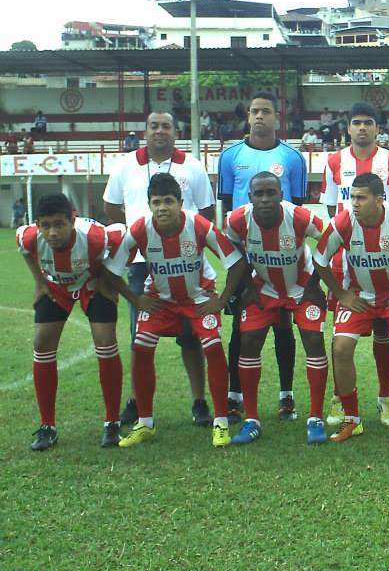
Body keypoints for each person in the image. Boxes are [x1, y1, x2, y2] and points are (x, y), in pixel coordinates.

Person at [101, 173, 248, 448]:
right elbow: (111, 270)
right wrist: (136, 300)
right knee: (141, 347)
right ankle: (145, 423)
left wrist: (221, 300)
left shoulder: (199, 225)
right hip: (160, 301)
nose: (162, 208)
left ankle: (220, 422)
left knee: (213, 347)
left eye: (168, 201)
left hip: (198, 298)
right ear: (149, 205)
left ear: (180, 203)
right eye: (156, 202)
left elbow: (237, 262)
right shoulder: (141, 228)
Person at [103, 111, 216, 427]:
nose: (160, 131)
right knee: (139, 335)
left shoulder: (192, 166)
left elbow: (206, 211)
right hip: (143, 264)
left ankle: (199, 401)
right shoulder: (125, 165)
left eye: (166, 126)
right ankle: (137, 401)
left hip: (186, 263)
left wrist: (185, 242)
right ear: (145, 131)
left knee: (190, 335)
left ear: (175, 132)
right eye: (154, 126)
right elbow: (111, 206)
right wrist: (138, 233)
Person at [314, 173, 389, 442]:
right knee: (341, 347)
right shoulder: (343, 222)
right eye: (352, 197)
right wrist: (340, 293)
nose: (354, 203)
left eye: (361, 198)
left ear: (379, 200)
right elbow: (319, 259)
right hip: (359, 297)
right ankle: (352, 420)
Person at [218, 91, 308, 423]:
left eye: (266, 111)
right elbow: (227, 206)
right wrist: (238, 268)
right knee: (240, 329)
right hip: (246, 257)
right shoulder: (229, 157)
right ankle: (234, 396)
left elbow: (297, 211)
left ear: (276, 117)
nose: (259, 116)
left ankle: (286, 396)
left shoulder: (293, 159)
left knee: (284, 327)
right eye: (254, 111)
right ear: (247, 116)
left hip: (283, 258)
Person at [223, 172, 330, 445]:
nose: (265, 199)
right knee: (248, 340)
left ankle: (315, 418)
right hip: (264, 287)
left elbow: (331, 240)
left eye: (271, 193)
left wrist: (315, 284)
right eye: (259, 194)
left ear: (281, 195)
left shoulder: (300, 217)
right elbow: (233, 249)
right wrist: (247, 285)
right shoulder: (237, 220)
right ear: (250, 197)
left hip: (301, 286)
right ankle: (252, 420)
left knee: (313, 339)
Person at [321, 102, 389, 428]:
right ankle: (339, 397)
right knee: (341, 335)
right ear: (347, 128)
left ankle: (385, 398)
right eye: (356, 122)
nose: (361, 127)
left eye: (367, 122)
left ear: (377, 128)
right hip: (348, 264)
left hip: (386, 259)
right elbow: (331, 210)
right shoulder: (334, 161)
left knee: (384, 329)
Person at [16, 194, 125, 451]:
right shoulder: (29, 237)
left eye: (59, 224)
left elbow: (121, 235)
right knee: (42, 344)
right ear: (37, 224)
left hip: (91, 283)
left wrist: (107, 280)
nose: (52, 232)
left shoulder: (95, 237)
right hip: (55, 285)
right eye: (46, 226)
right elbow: (24, 249)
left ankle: (112, 422)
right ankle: (47, 427)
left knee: (105, 342)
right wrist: (39, 281)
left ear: (72, 221)